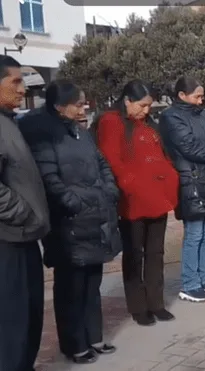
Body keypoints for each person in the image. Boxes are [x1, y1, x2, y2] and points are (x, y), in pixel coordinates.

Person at [20, 80, 121, 364]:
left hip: (95, 216)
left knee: (92, 281)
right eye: (78, 103)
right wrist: (74, 202)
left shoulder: (80, 132)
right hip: (69, 223)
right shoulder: (43, 134)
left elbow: (101, 163)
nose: (83, 107)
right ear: (59, 106)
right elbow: (50, 179)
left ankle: (94, 335)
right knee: (71, 287)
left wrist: (109, 189)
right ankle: (74, 343)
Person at [95, 80, 179, 326]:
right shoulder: (112, 122)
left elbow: (161, 157)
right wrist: (133, 185)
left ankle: (156, 302)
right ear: (127, 101)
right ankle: (138, 306)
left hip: (157, 199)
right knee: (134, 255)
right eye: (142, 105)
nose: (146, 111)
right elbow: (112, 161)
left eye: (149, 106)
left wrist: (169, 180)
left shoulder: (148, 127)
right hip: (133, 200)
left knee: (156, 253)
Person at [159, 77, 205, 303]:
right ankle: (190, 283)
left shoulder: (202, 114)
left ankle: (203, 278)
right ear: (182, 95)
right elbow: (188, 146)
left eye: (202, 96)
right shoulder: (171, 117)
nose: (201, 101)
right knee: (194, 234)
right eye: (197, 96)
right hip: (190, 178)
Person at [0, 55, 50, 371]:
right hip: (8, 241)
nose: (23, 89)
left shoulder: (9, 121)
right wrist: (25, 213)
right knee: (12, 322)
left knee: (31, 315)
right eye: (15, 82)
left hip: (25, 237)